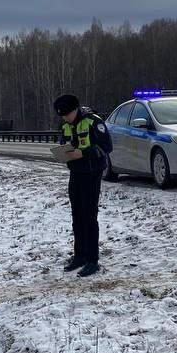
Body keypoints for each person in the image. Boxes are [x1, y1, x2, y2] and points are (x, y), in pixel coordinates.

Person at [53, 93, 110, 277]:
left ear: (75, 109)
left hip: (92, 173)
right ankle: (79, 255)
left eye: (67, 114)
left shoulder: (93, 121)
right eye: (62, 115)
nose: (64, 118)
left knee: (89, 216)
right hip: (75, 172)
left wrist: (84, 154)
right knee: (77, 215)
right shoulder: (65, 124)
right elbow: (65, 141)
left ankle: (92, 260)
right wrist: (63, 151)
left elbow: (106, 147)